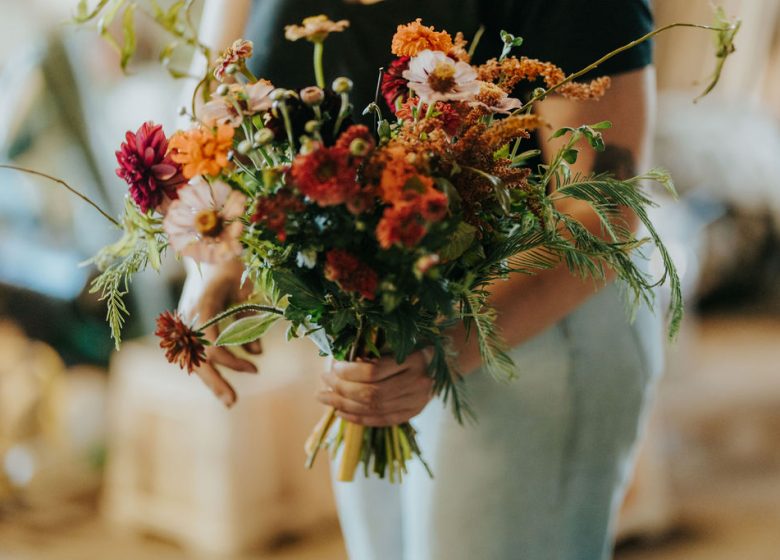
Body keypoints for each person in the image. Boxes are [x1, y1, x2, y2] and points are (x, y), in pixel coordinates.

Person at [179, 1, 663, 558]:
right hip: (368, 342)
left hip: (529, 337)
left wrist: (443, 350)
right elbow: (211, 118)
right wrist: (216, 263)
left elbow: (600, 207)